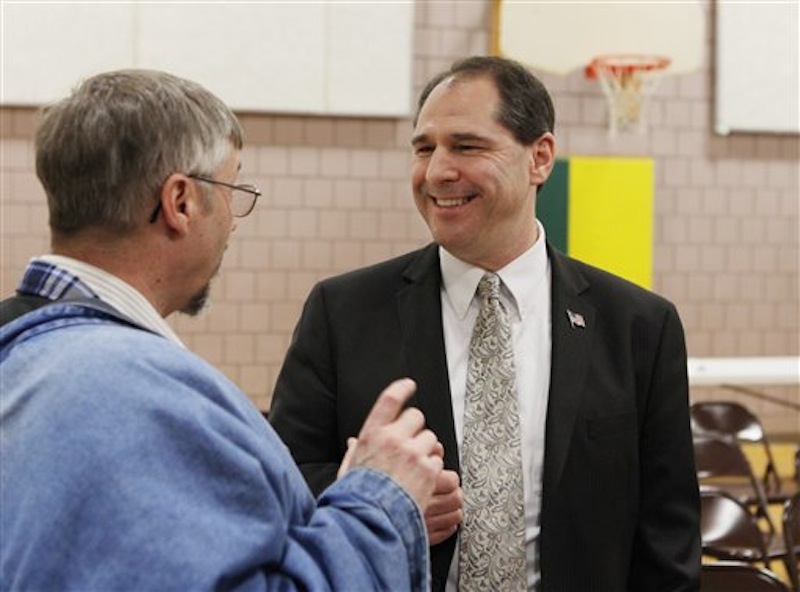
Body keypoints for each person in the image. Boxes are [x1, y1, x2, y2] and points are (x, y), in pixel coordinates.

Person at [0, 69, 445, 591]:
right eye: (233, 189)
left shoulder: (28, 354)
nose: (234, 220)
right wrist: (380, 499)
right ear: (181, 202)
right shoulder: (128, 395)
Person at [269, 55, 701, 591]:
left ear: (539, 158)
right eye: (424, 148)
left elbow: (668, 534)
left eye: (466, 146)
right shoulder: (343, 311)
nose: (436, 171)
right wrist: (374, 501)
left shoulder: (639, 325)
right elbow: (281, 486)